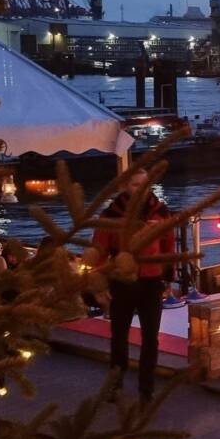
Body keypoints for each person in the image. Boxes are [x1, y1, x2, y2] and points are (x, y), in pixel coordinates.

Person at [92, 167, 175, 402]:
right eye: (135, 184)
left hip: (151, 282)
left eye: (144, 184)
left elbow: (168, 245)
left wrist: (168, 277)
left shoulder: (161, 212)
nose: (141, 189)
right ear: (124, 187)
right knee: (119, 337)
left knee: (151, 339)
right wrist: (99, 285)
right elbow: (99, 251)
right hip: (122, 281)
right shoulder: (110, 215)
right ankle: (115, 385)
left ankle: (146, 389)